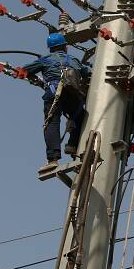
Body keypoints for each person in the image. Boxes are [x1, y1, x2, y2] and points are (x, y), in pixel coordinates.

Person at [23, 33, 90, 171]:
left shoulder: (45, 59)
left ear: (50, 48)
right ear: (65, 47)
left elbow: (25, 70)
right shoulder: (74, 60)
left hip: (54, 94)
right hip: (73, 94)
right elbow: (88, 74)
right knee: (80, 117)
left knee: (52, 122)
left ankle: (53, 159)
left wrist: (31, 76)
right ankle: (73, 145)